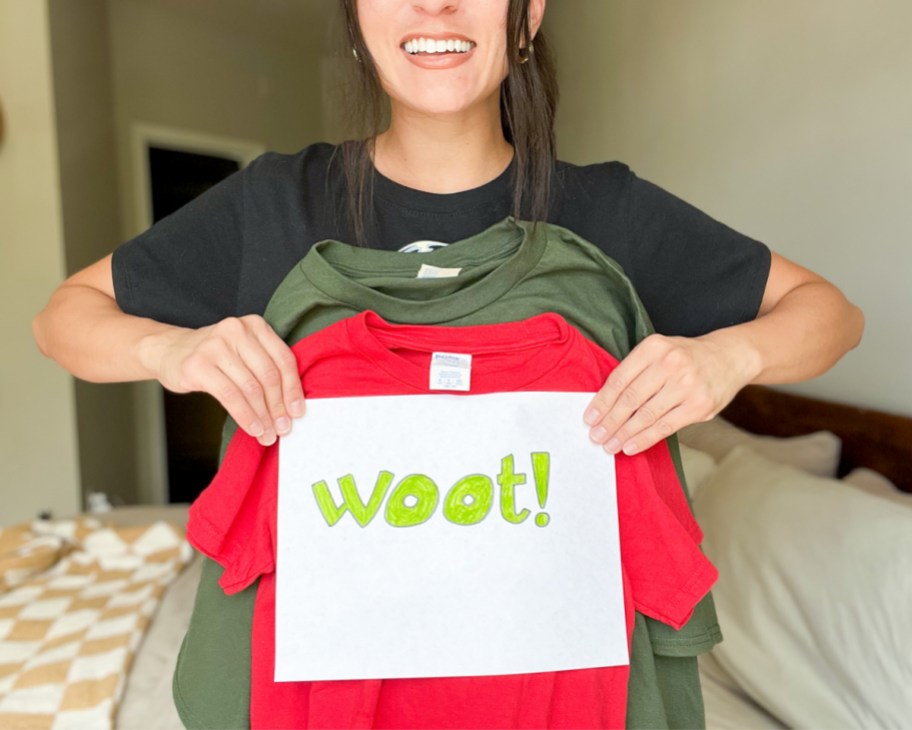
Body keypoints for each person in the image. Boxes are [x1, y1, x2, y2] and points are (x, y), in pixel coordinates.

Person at [33, 0, 863, 727]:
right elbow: (64, 319)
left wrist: (726, 358)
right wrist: (172, 348)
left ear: (526, 15)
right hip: (328, 683)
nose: (435, 7)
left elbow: (831, 314)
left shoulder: (606, 215)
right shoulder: (276, 203)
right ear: (358, 17)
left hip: (553, 678)